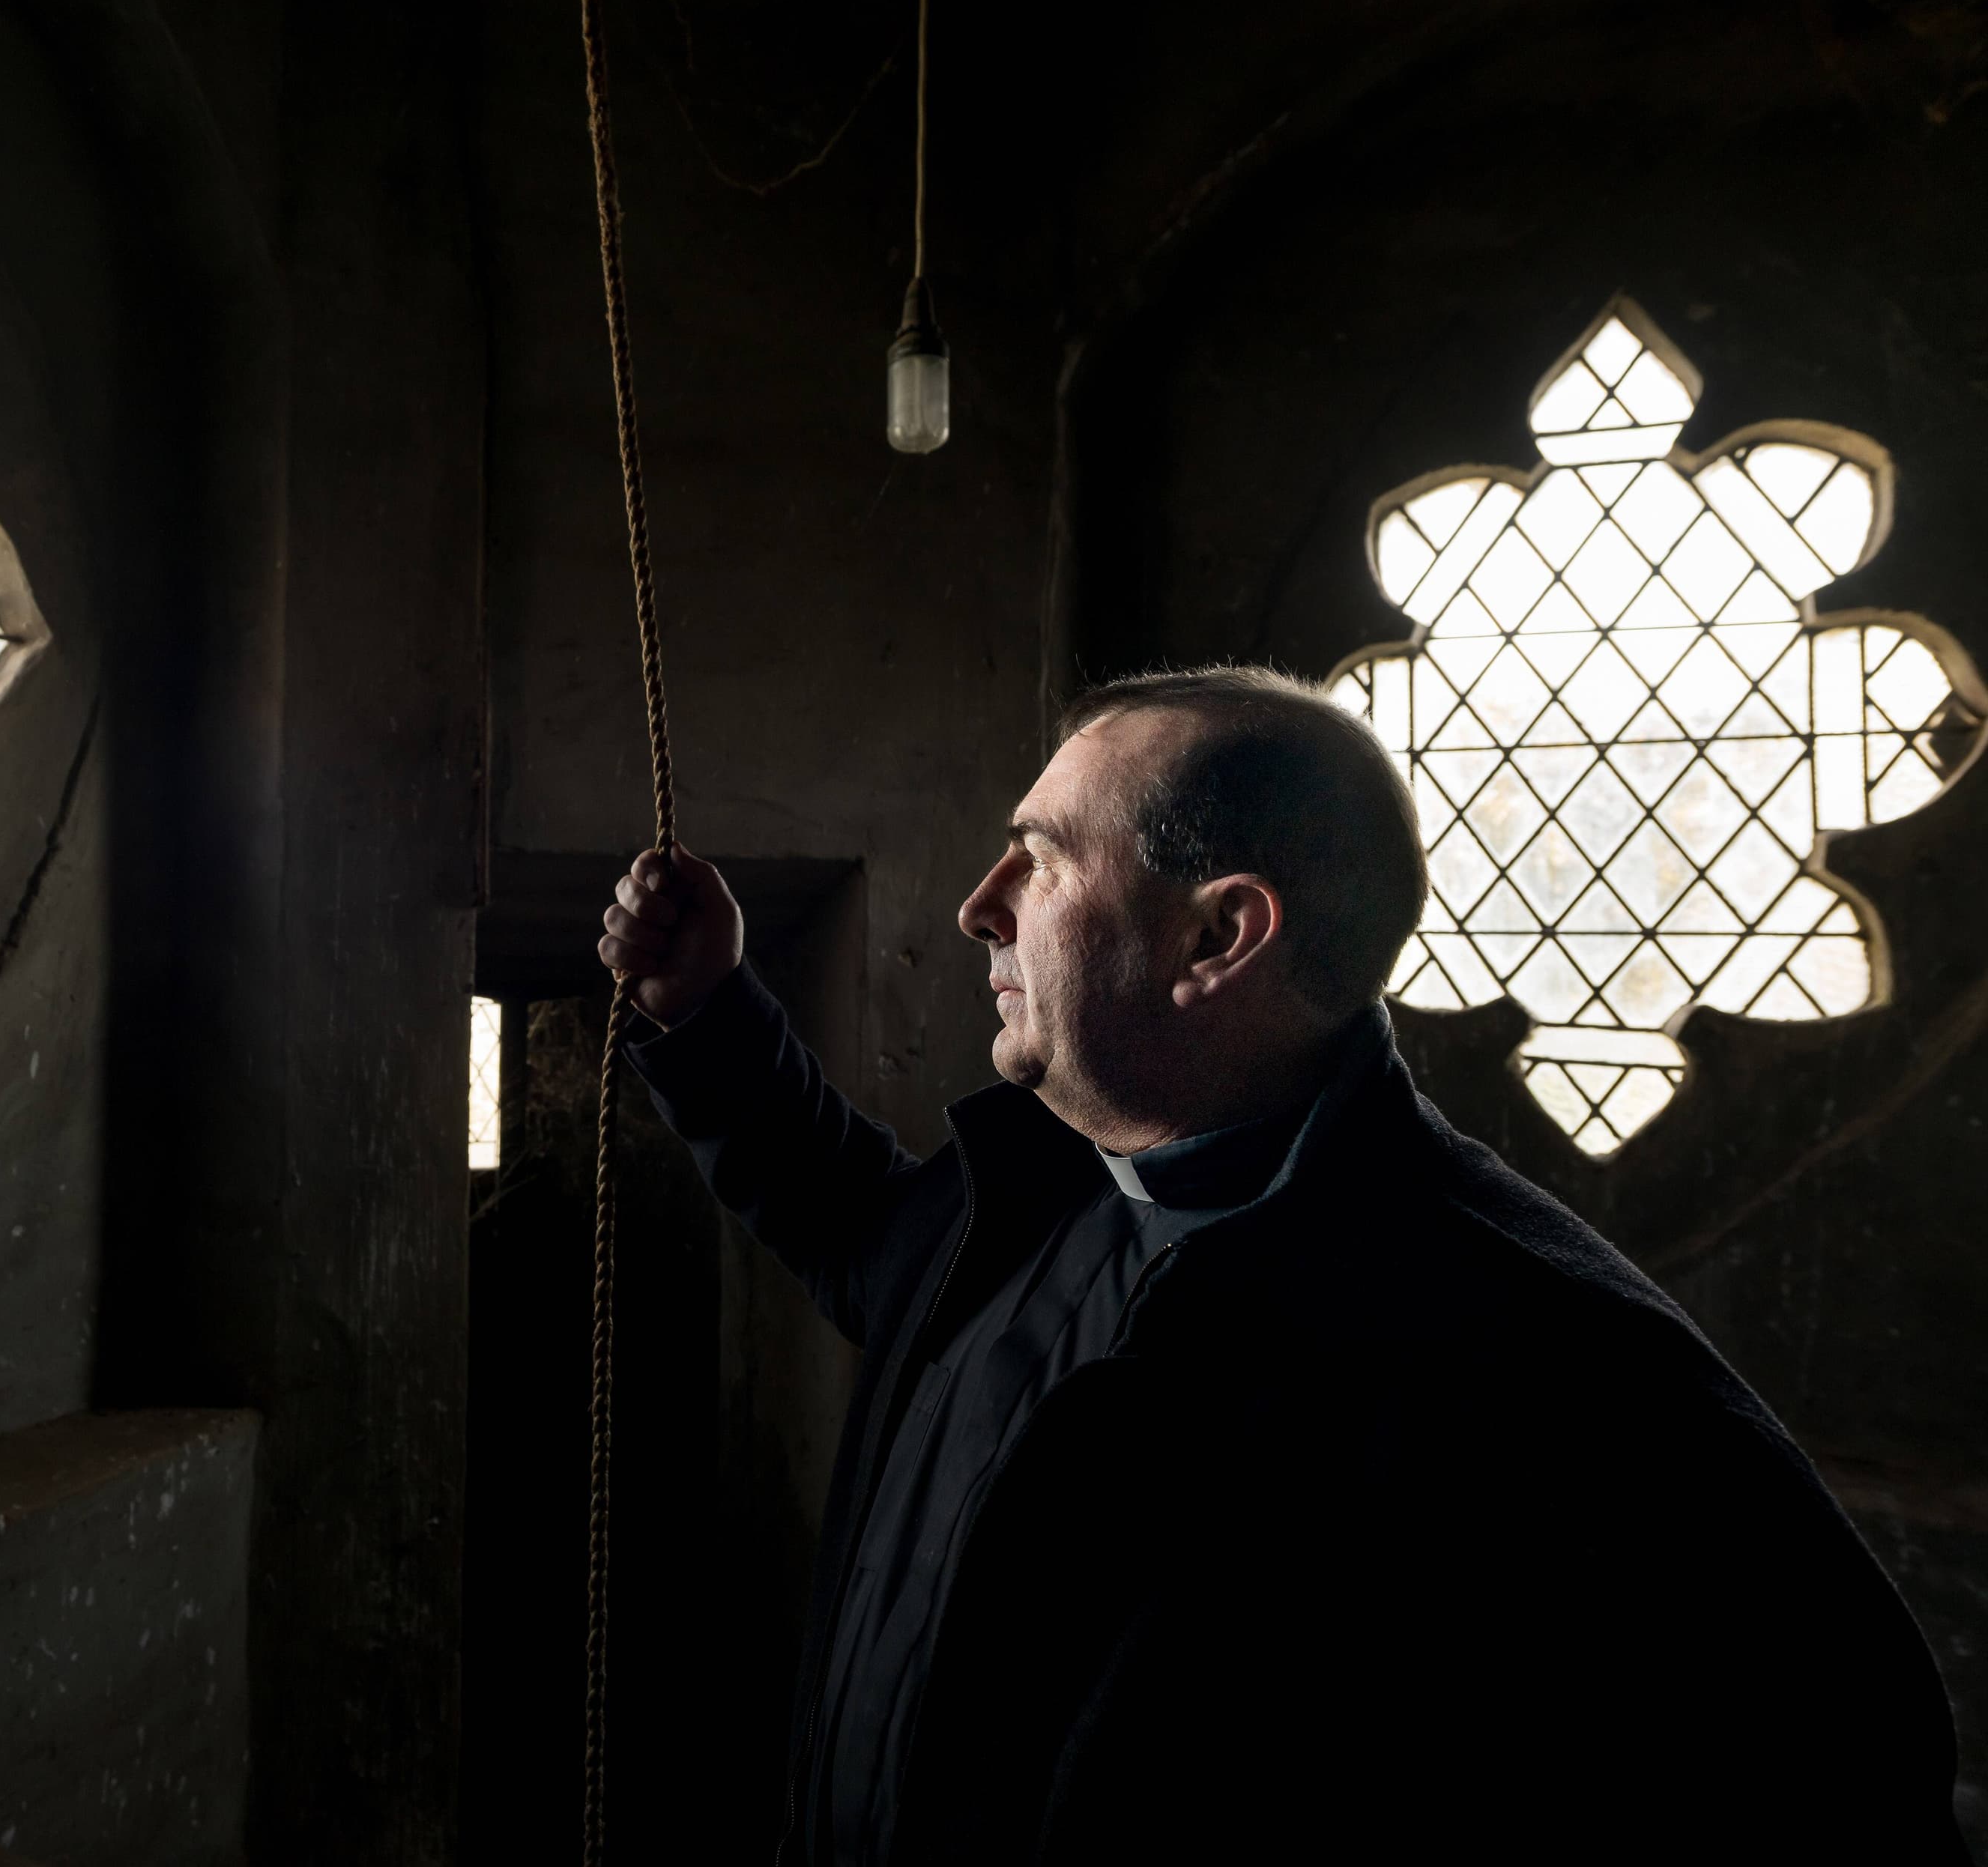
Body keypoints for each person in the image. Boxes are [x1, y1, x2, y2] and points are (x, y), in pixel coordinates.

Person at [596, 665, 1963, 1865]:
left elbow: (1840, 1778)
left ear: (1217, 937)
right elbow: (867, 1246)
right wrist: (708, 1019)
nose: (978, 908)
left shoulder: (1544, 1367)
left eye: (1042, 861)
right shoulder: (1045, 1191)